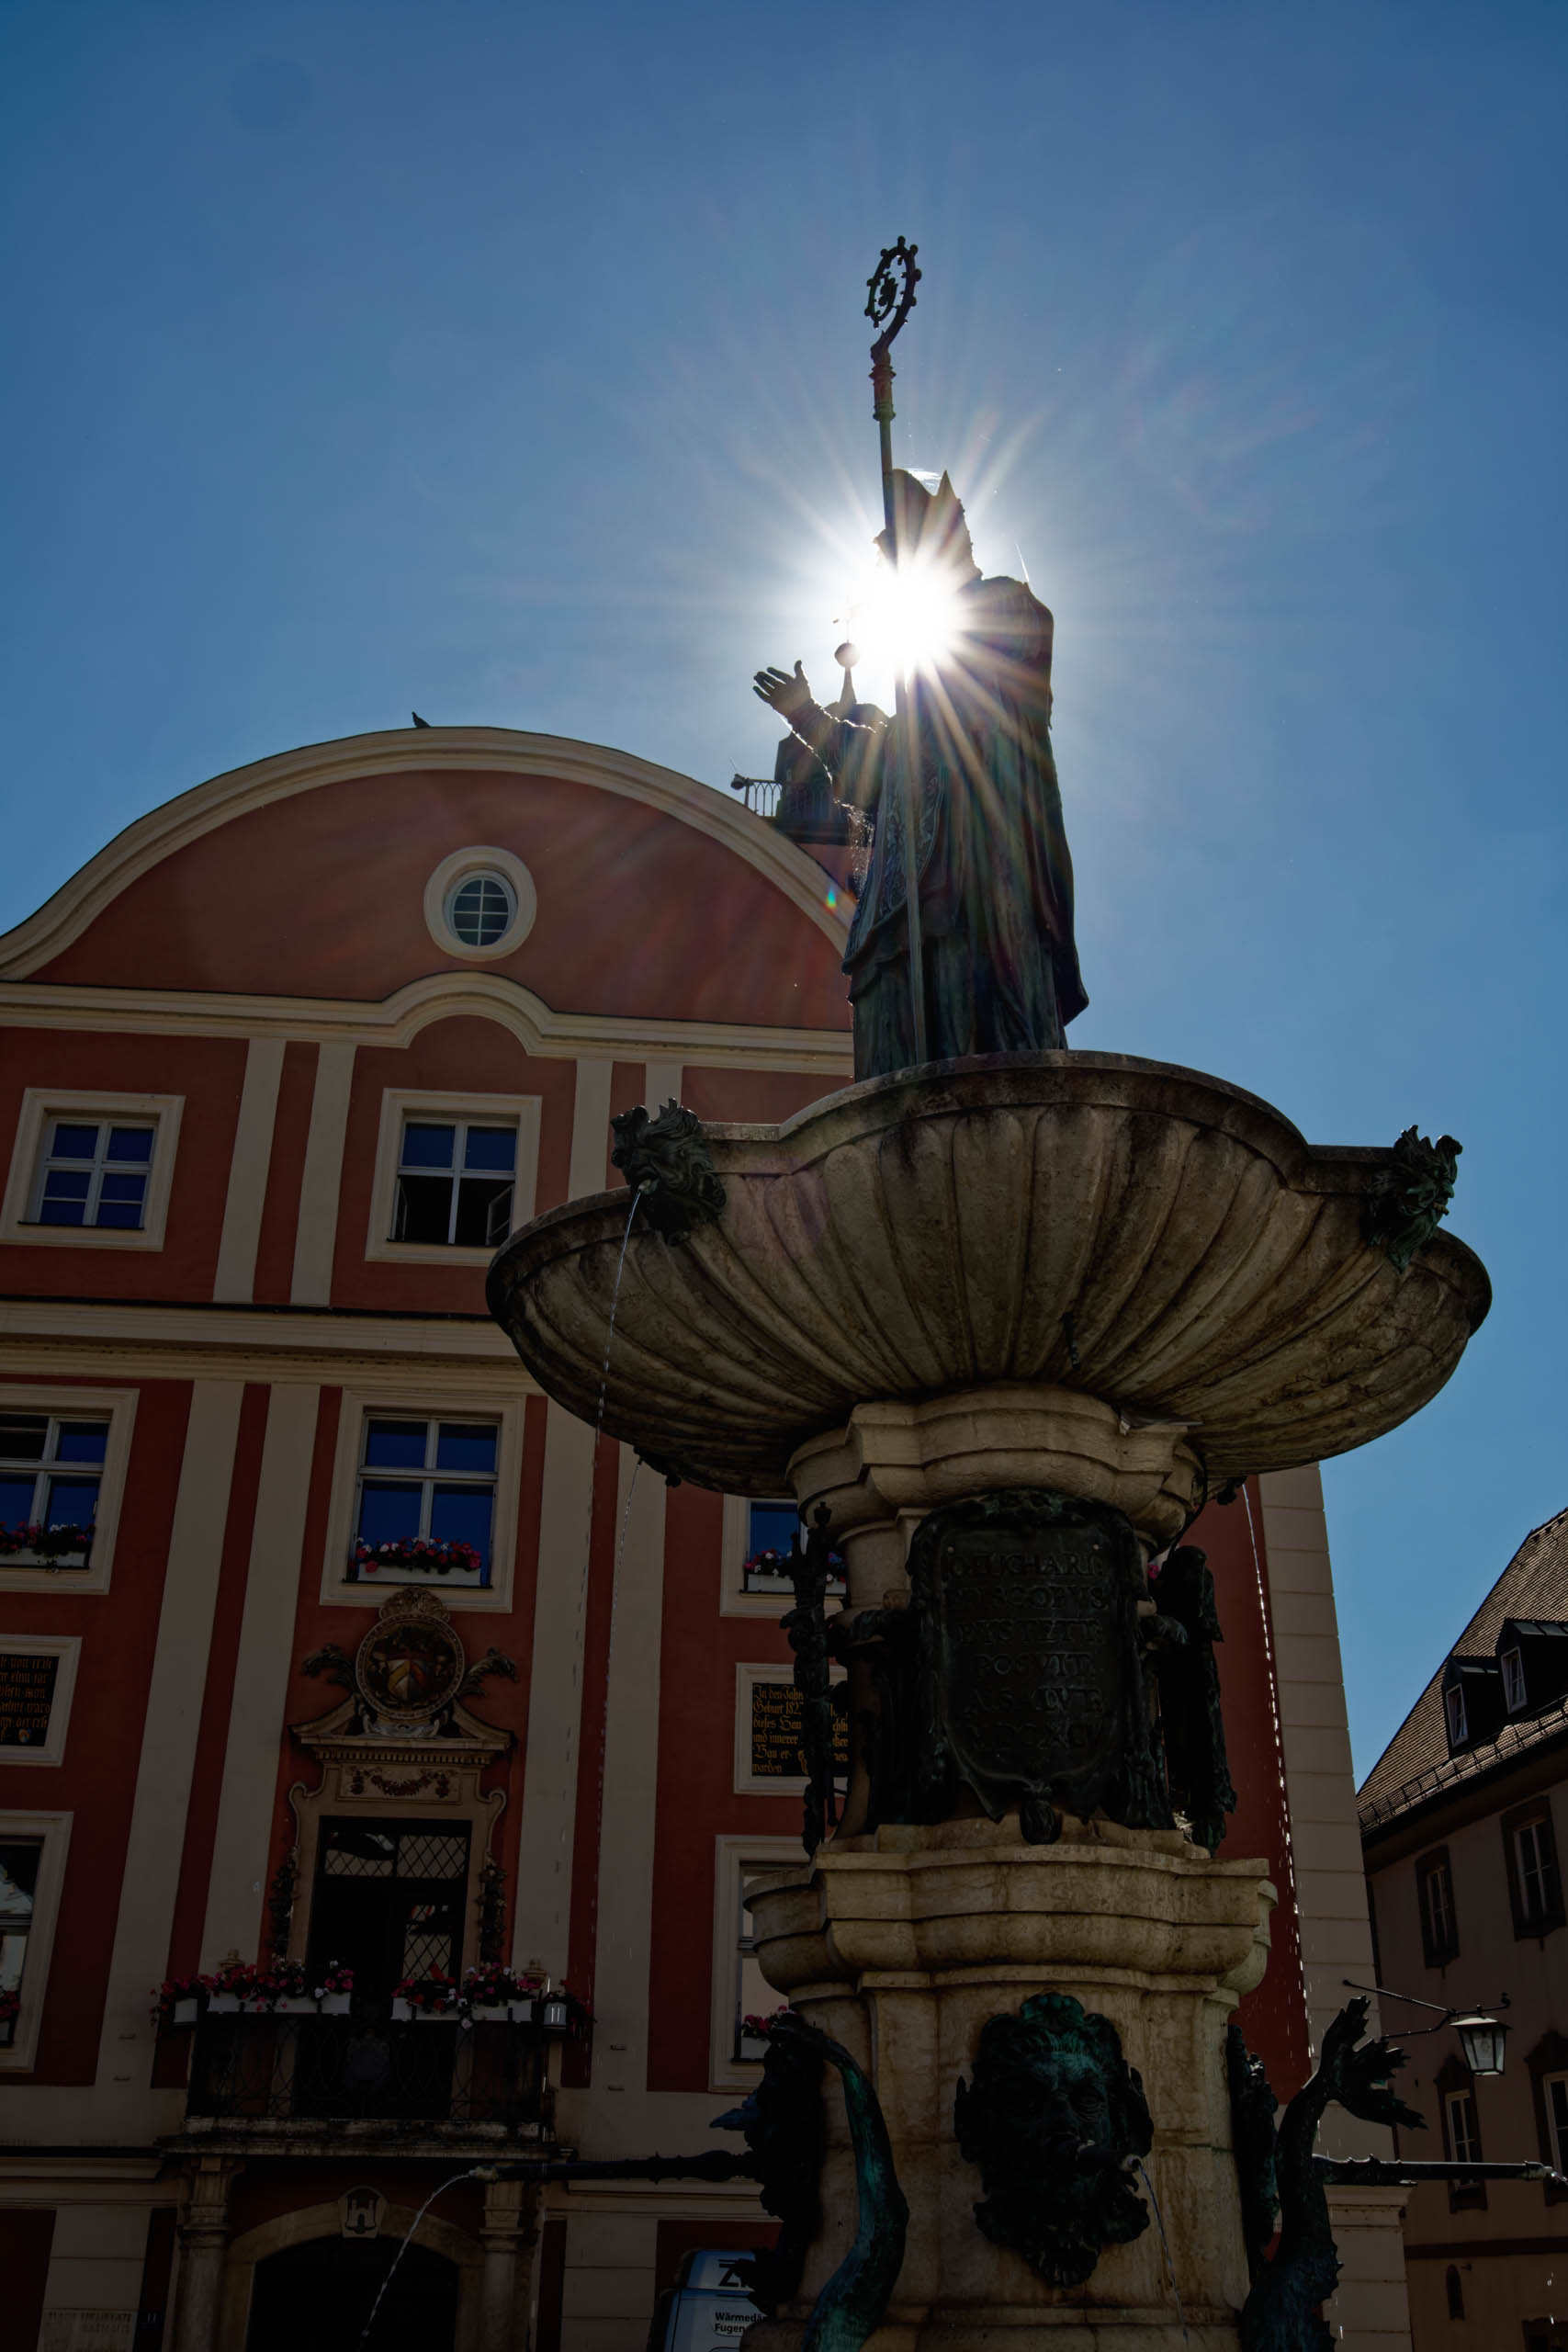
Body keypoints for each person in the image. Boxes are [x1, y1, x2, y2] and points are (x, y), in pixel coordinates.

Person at [754, 470, 1087, 1080]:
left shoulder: (1006, 605)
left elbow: (989, 694)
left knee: (995, 1048)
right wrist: (805, 713)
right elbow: (879, 770)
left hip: (977, 863)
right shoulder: (916, 676)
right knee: (891, 1057)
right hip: (898, 887)